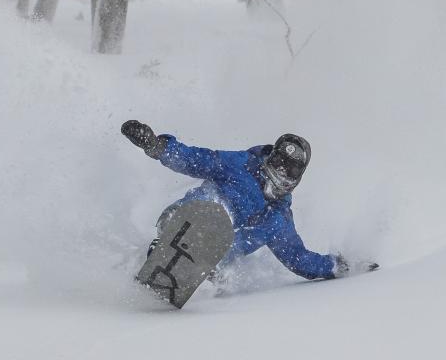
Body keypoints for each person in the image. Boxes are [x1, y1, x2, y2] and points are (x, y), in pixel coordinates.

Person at [120, 120, 377, 284]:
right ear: (270, 157)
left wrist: (341, 266)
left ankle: (210, 269)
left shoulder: (279, 217)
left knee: (254, 232)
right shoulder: (240, 165)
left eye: (290, 169)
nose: (281, 171)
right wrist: (156, 145)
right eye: (278, 162)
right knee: (214, 202)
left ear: (298, 176)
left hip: (218, 254)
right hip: (186, 216)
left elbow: (299, 258)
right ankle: (171, 242)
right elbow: (194, 158)